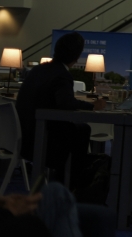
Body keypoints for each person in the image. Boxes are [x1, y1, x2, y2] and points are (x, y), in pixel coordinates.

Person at [16, 32, 107, 189]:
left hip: (24, 136)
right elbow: (66, 103)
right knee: (82, 130)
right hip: (41, 140)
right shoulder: (62, 75)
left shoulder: (37, 70)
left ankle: (67, 180)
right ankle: (71, 183)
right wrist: (93, 106)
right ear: (76, 57)